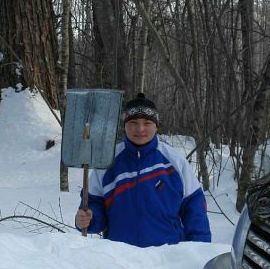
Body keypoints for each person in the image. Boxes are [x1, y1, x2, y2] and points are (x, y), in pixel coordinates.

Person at [74, 93, 211, 247]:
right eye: (133, 122)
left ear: (156, 125)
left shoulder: (174, 161)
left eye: (147, 122)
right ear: (125, 124)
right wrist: (88, 219)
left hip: (168, 258)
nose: (140, 129)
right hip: (121, 258)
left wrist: (201, 250)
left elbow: (195, 209)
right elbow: (93, 204)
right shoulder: (107, 162)